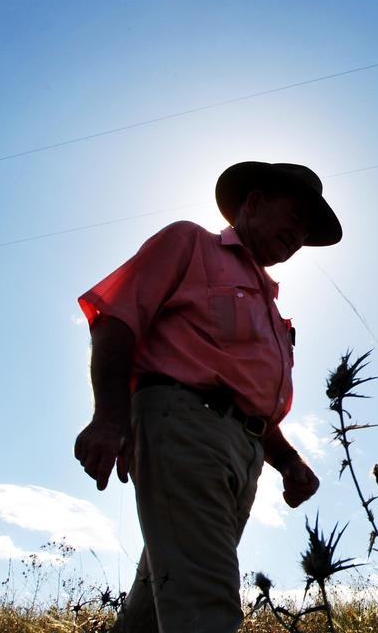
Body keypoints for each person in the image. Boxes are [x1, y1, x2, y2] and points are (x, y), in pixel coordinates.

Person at [73, 162, 341, 632]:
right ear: (253, 203)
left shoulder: (270, 301)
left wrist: (289, 460)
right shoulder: (190, 244)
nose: (299, 235)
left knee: (155, 612)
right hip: (185, 430)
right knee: (207, 604)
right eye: (294, 217)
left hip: (243, 456)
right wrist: (110, 418)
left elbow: (245, 397)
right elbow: (118, 319)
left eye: (307, 230)